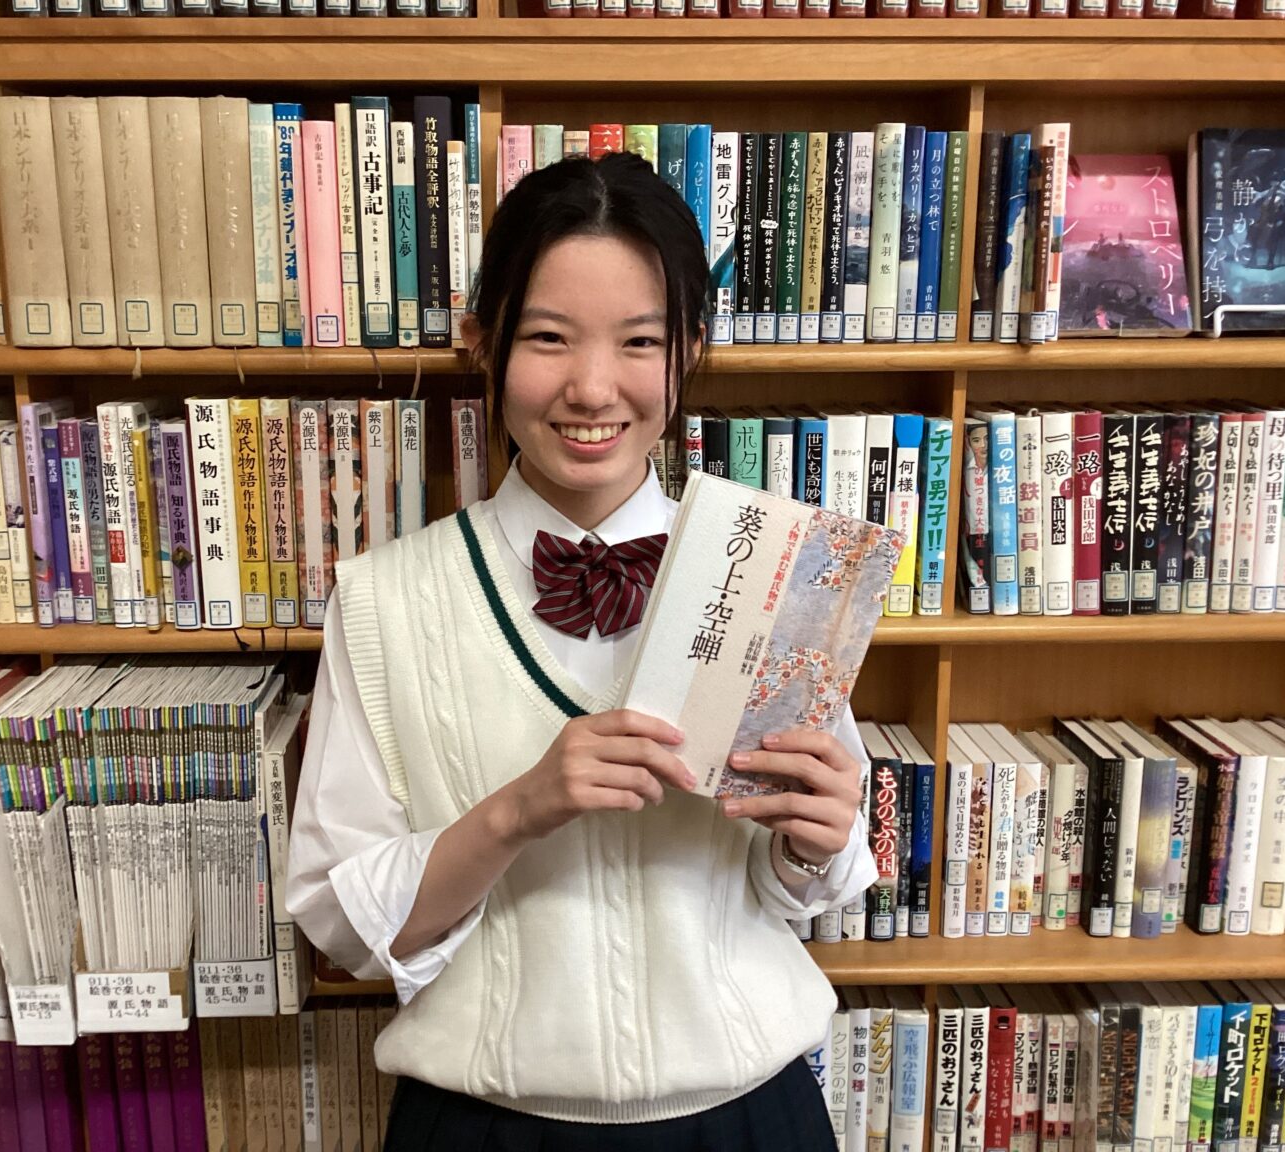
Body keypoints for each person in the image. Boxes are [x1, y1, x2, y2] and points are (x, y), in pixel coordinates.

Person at [284, 152, 877, 1152]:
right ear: (485, 341)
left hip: (748, 1120)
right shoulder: (384, 600)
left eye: (640, 341)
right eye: (548, 338)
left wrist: (818, 837)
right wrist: (518, 811)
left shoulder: (770, 569)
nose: (592, 388)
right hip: (484, 1129)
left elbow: (809, 883)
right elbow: (341, 925)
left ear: (688, 351)